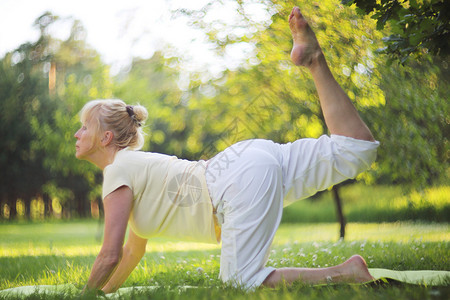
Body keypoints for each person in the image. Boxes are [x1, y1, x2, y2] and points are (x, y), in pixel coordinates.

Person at [75, 6, 379, 293]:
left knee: (240, 281)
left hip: (234, 183)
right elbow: (130, 251)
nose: (77, 133)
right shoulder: (133, 169)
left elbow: (109, 255)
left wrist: (83, 297)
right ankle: (314, 60)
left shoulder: (118, 171)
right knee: (355, 150)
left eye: (84, 127)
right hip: (241, 163)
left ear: (105, 137)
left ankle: (345, 273)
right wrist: (103, 292)